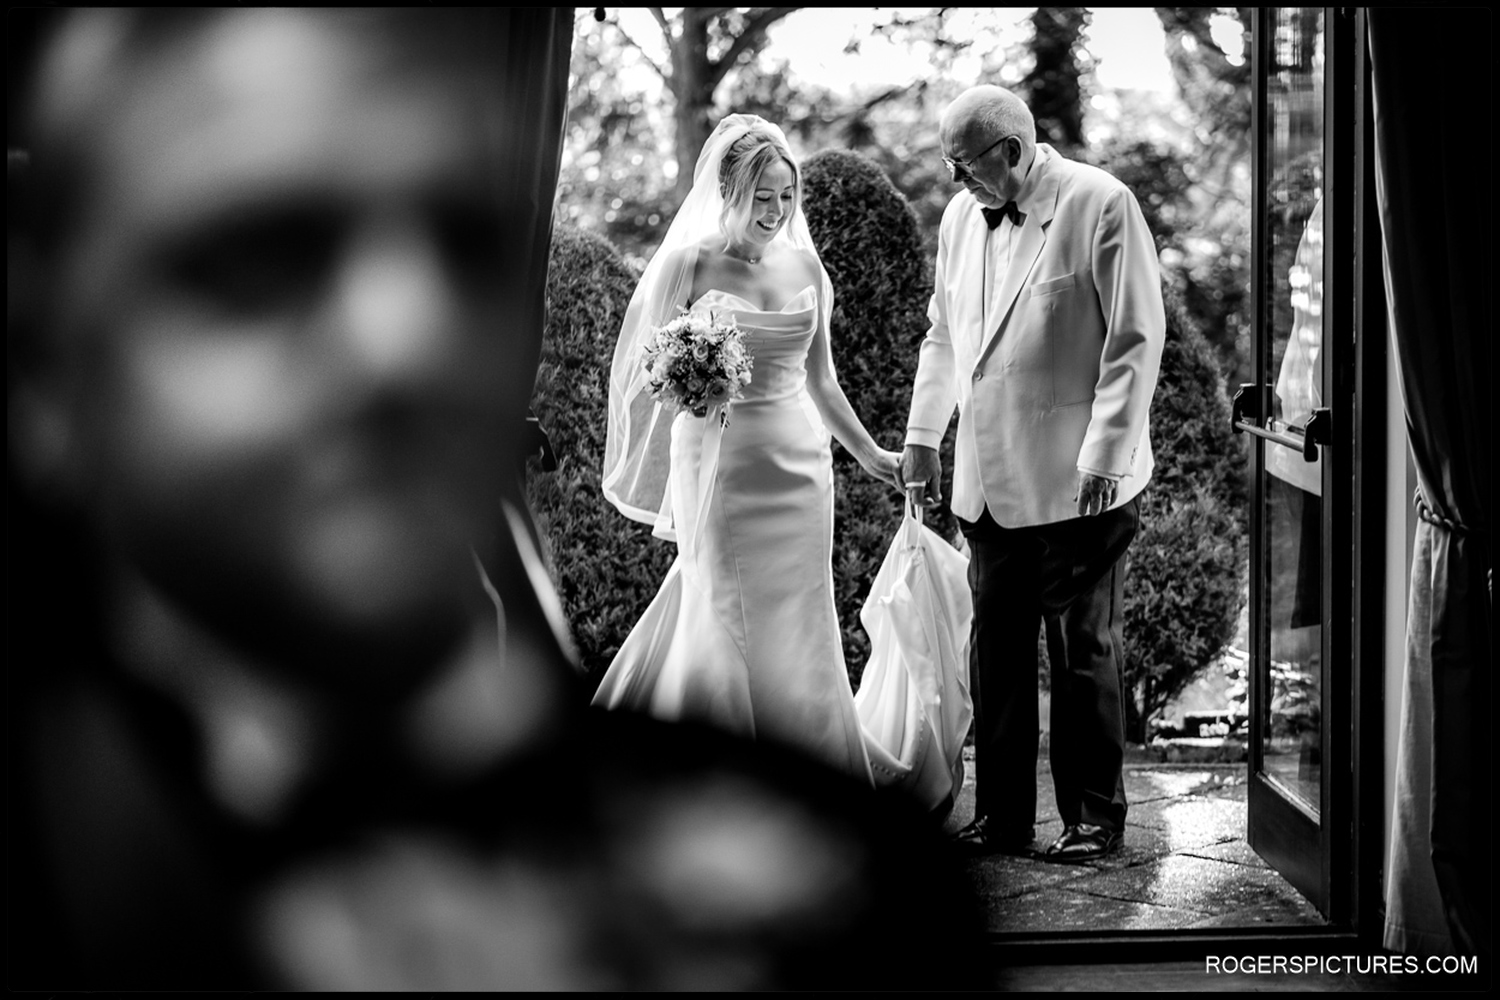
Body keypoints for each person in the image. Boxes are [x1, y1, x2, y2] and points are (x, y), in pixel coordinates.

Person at [8, 11, 982, 989]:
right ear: (45, 362)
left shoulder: (856, 886)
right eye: (264, 255)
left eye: (462, 246)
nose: (406, 340)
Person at [596, 116, 904, 781]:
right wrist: (690, 377)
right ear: (730, 190)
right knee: (723, 604)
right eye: (762, 196)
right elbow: (649, 369)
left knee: (802, 615)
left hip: (798, 468)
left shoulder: (805, 265)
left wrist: (872, 454)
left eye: (785, 196)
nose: (775, 211)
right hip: (720, 461)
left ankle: (814, 760)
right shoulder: (689, 263)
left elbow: (822, 381)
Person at [902, 85, 1165, 862]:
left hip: (1079, 481)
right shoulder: (959, 220)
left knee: (1082, 653)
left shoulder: (1101, 204)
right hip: (987, 482)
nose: (955, 182)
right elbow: (944, 337)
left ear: (1011, 150)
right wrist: (924, 433)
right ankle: (1003, 817)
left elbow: (1135, 339)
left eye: (964, 165)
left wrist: (1106, 456)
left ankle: (1092, 819)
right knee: (998, 653)